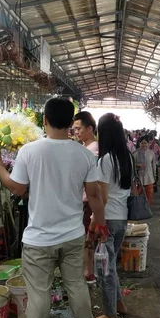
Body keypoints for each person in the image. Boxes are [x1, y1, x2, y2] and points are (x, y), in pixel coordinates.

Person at [0, 98, 106, 318]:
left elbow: (17, 188)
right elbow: (94, 194)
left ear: (44, 120)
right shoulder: (84, 154)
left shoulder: (30, 151)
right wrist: (99, 223)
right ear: (71, 124)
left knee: (39, 295)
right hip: (72, 235)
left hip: (39, 239)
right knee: (76, 285)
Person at [94, 113, 131, 318]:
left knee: (104, 269)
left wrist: (94, 221)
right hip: (122, 218)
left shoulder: (105, 160)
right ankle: (119, 305)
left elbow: (103, 197)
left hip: (108, 219)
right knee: (111, 265)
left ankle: (110, 316)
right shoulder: (127, 157)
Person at [73, 111, 99, 282]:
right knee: (86, 239)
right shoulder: (85, 148)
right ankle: (89, 271)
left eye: (79, 128)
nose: (76, 132)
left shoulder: (93, 150)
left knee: (88, 239)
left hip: (88, 201)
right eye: (74, 129)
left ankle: (89, 272)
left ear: (90, 128)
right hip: (83, 199)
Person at [133, 135, 157, 205]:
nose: (144, 145)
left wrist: (155, 176)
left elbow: (154, 165)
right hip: (138, 177)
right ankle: (138, 208)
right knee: (137, 194)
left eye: (145, 143)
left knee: (149, 194)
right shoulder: (135, 153)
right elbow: (131, 165)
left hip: (149, 177)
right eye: (142, 143)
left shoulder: (151, 153)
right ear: (139, 144)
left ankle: (147, 208)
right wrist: (138, 165)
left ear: (148, 144)